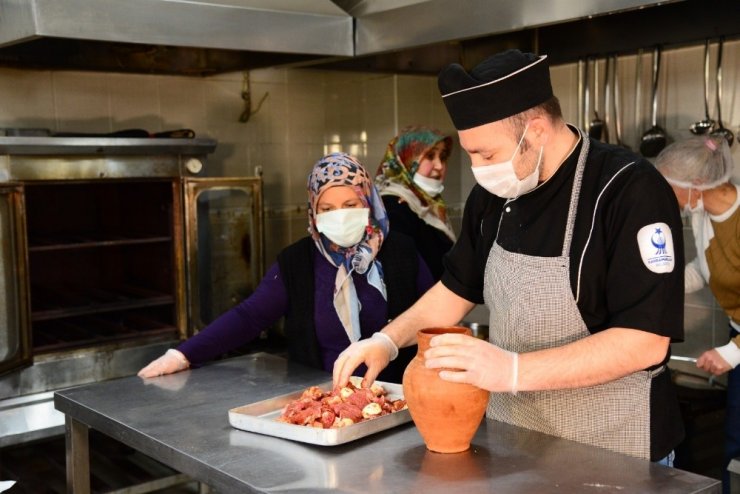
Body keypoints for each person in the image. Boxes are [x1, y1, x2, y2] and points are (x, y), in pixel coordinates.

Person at [333, 49, 686, 463]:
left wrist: (512, 371)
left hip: (614, 449)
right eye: (470, 154)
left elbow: (643, 342)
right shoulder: (497, 192)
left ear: (535, 130)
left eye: (486, 155)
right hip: (514, 444)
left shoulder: (629, 189)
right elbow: (455, 288)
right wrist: (388, 341)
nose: (478, 168)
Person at [139, 152, 434, 383]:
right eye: (327, 209)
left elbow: (433, 318)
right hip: (325, 405)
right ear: (313, 212)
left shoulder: (400, 251)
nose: (340, 216)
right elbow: (250, 316)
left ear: (368, 204)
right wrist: (183, 354)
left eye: (350, 205)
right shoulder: (296, 262)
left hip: (399, 400)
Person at [655, 136, 739, 493]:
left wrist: (733, 352)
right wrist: (652, 282)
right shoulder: (704, 214)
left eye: (669, 186)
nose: (665, 195)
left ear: (698, 184)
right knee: (735, 450)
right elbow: (703, 270)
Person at [375, 126, 456, 280]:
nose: (439, 166)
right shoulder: (393, 208)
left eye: (443, 156)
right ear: (406, 159)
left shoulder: (429, 204)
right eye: (430, 156)